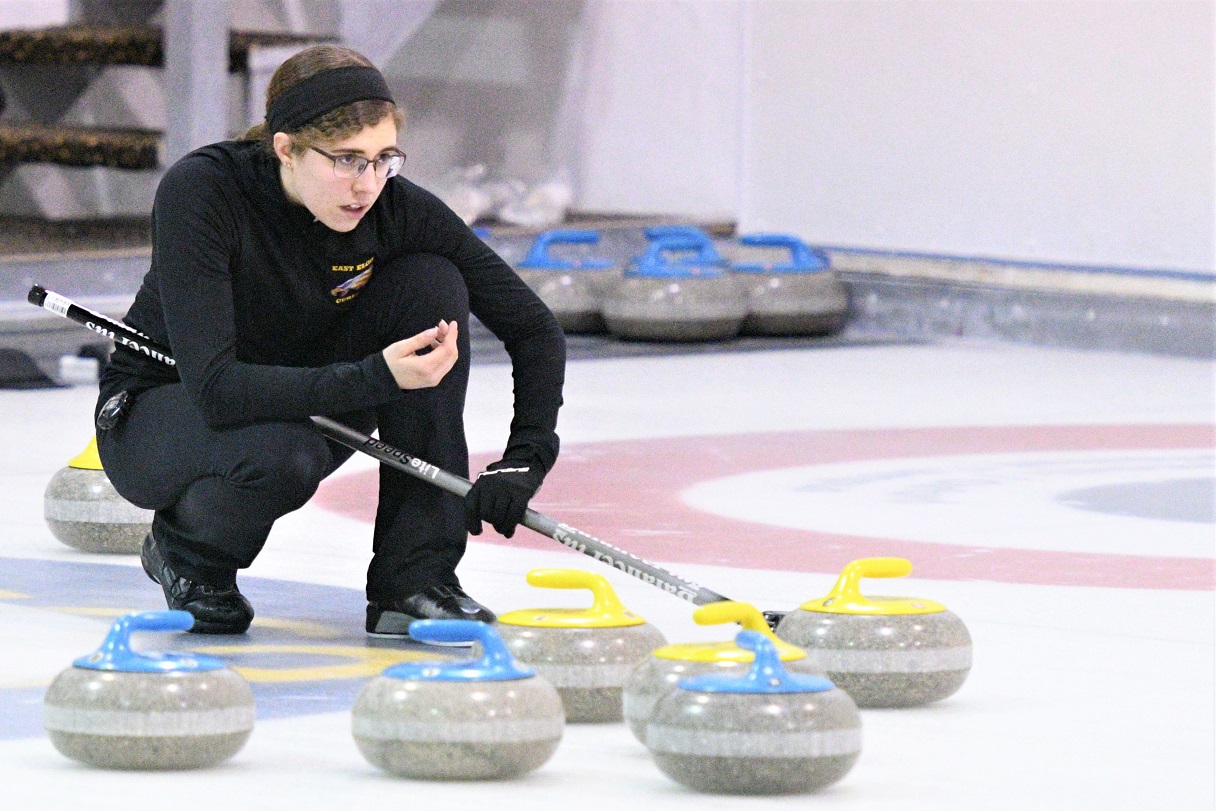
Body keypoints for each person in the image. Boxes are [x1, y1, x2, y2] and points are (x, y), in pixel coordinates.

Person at [94, 45, 566, 636]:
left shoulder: (392, 206)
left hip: (308, 400)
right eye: (345, 160)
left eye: (382, 159)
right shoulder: (205, 191)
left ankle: (414, 575)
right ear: (285, 148)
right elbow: (216, 390)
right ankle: (190, 552)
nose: (366, 184)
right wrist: (377, 377)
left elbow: (532, 326)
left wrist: (524, 458)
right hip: (165, 408)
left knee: (431, 282)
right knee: (283, 454)